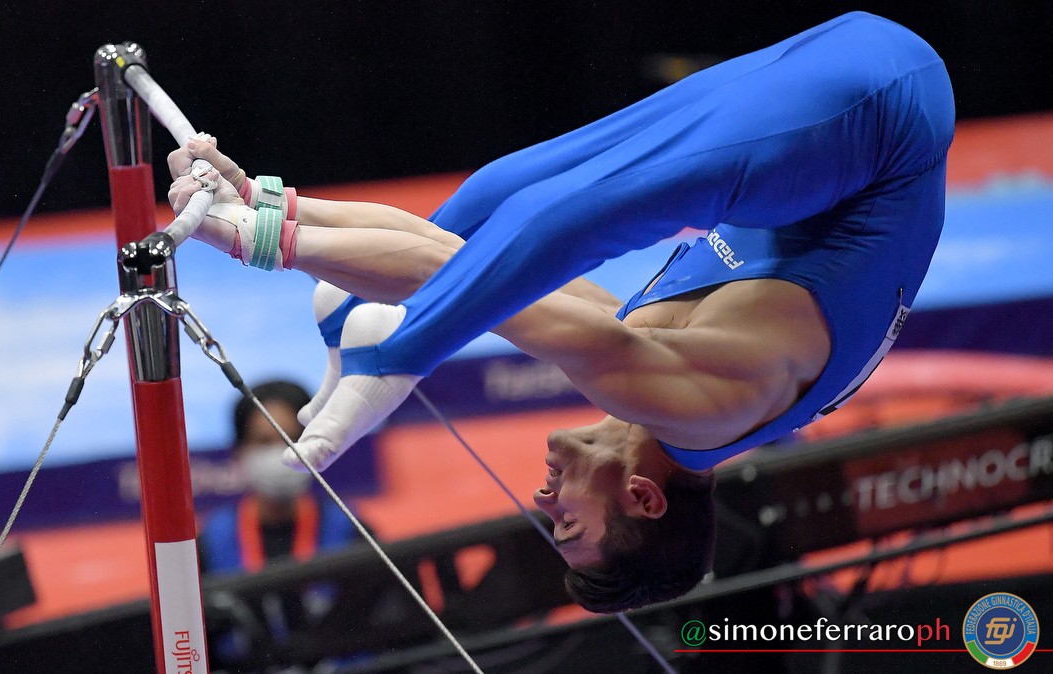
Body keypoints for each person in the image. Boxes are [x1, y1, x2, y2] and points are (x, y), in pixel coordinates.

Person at [169, 12, 954, 612]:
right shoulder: (702, 409)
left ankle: (377, 324)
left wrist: (267, 205)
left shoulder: (671, 380)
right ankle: (397, 356)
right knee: (558, 218)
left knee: (499, 194)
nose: (544, 502)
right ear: (643, 498)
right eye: (568, 524)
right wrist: (257, 248)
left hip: (851, 68)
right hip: (879, 123)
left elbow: (450, 251)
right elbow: (514, 251)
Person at [198, 380, 360, 575]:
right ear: (239, 452)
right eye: (264, 441)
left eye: (291, 440)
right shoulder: (211, 542)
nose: (281, 454)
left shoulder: (350, 531)